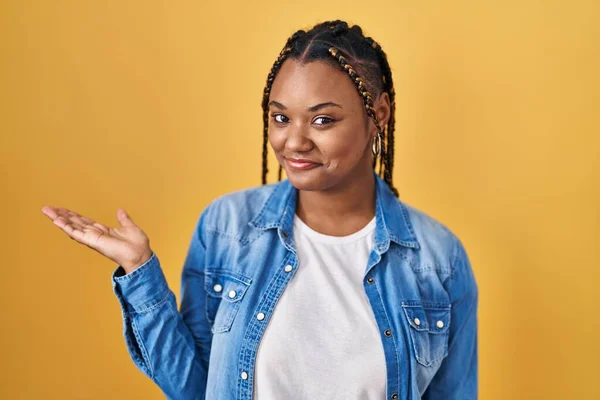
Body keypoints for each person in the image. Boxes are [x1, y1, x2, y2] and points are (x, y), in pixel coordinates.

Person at [41, 20, 478, 400]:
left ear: (378, 114)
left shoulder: (437, 260)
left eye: (323, 120)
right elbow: (195, 389)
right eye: (281, 117)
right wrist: (139, 271)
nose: (294, 142)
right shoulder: (226, 228)